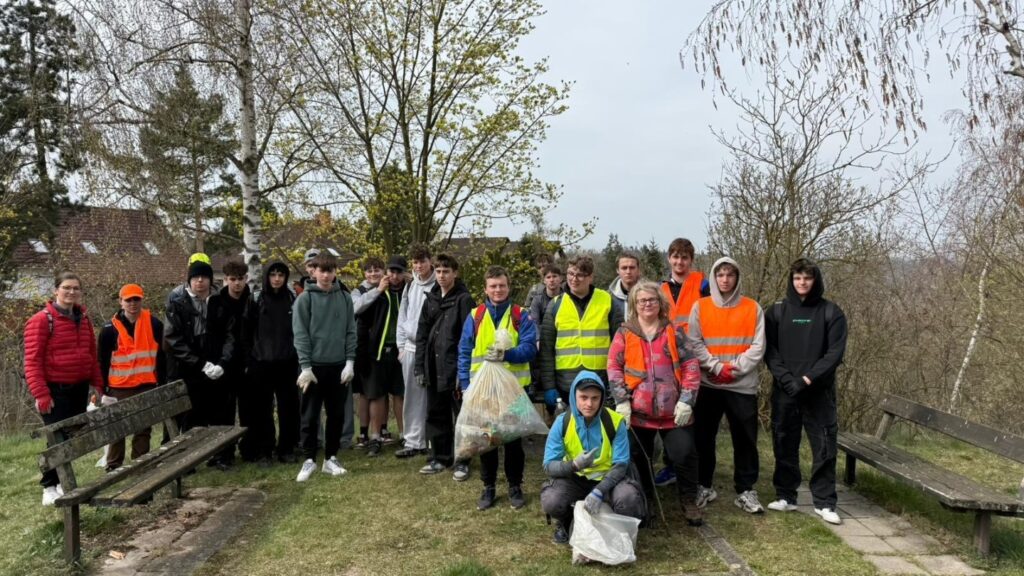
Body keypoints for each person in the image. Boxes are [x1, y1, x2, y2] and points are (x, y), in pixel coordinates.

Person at [607, 282, 703, 525]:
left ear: (660, 303)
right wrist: (621, 401)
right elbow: (614, 367)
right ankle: (645, 498)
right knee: (638, 457)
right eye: (642, 300)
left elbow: (691, 366)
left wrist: (687, 400)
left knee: (684, 454)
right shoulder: (625, 333)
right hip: (638, 413)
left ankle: (688, 499)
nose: (647, 304)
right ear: (634, 304)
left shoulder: (674, 331)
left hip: (674, 413)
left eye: (652, 299)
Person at [764, 258, 848, 525]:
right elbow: (769, 350)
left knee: (824, 446)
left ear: (816, 280)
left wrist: (807, 379)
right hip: (785, 391)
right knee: (783, 443)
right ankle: (786, 496)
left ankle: (824, 502)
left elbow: (834, 354)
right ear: (792, 280)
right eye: (797, 278)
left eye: (807, 278)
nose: (802, 283)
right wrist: (786, 379)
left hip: (818, 392)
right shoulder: (776, 311)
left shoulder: (831, 312)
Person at [687, 257, 766, 514]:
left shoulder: (752, 307)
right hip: (709, 383)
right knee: (703, 437)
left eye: (730, 274)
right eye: (720, 274)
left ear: (737, 277)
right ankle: (704, 485)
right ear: (713, 277)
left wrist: (734, 369)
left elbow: (758, 346)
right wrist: (716, 367)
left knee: (745, 439)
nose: (725, 279)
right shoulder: (700, 307)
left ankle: (746, 490)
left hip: (741, 386)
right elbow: (694, 342)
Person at [457, 266, 538, 510]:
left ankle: (515, 486)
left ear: (508, 287)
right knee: (486, 441)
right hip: (484, 392)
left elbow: (530, 349)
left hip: (514, 391)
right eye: (493, 286)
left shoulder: (520, 315)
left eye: (502, 285)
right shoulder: (475, 316)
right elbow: (464, 351)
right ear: (485, 289)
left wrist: (507, 354)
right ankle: (488, 486)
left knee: (513, 442)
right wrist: (465, 385)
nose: (498, 290)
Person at [24, 272, 104, 505]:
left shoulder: (84, 319)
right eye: (66, 287)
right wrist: (41, 394)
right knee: (56, 439)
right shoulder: (42, 320)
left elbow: (91, 354)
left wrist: (97, 383)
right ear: (56, 290)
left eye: (76, 288)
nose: (71, 292)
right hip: (54, 390)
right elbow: (32, 361)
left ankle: (61, 482)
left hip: (79, 388)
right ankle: (49, 486)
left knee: (69, 437)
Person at [540, 371, 644, 545]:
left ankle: (619, 529)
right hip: (575, 479)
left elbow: (621, 465)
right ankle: (566, 522)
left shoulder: (616, 422)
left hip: (609, 480)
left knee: (628, 497)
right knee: (551, 500)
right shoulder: (562, 422)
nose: (589, 404)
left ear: (602, 399)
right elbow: (548, 465)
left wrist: (599, 491)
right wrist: (574, 465)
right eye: (583, 397)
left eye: (595, 398)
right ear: (574, 396)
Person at [164, 253, 236, 470]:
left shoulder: (221, 302)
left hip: (217, 365)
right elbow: (173, 339)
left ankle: (221, 456)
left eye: (204, 277)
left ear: (210, 280)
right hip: (190, 368)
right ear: (189, 280)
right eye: (195, 277)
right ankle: (190, 460)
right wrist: (199, 364)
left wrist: (223, 363)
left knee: (220, 413)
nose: (200, 281)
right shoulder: (177, 303)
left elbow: (231, 335)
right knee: (192, 416)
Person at [292, 253, 356, 481]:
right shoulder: (305, 299)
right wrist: (305, 366)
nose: (326, 275)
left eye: (330, 271)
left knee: (336, 414)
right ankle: (309, 459)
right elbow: (300, 334)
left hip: (338, 366)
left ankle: (331, 458)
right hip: (313, 368)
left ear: (335, 272)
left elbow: (351, 331)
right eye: (322, 271)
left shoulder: (345, 298)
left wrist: (350, 362)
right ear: (314, 272)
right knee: (309, 416)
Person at [415, 253, 475, 480]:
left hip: (455, 368)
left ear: (455, 273)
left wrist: (464, 372)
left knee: (462, 417)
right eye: (438, 271)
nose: (441, 276)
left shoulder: (464, 300)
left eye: (446, 272)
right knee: (435, 414)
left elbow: (469, 338)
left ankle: (463, 460)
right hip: (433, 367)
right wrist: (420, 367)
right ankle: (440, 457)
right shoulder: (430, 299)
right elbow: (421, 335)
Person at [654, 238, 709, 487]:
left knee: (696, 419)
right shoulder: (660, 288)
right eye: (675, 257)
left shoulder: (703, 284)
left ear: (691, 260)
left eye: (684, 257)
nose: (679, 262)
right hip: (668, 360)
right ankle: (671, 466)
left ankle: (696, 471)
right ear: (669, 259)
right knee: (670, 415)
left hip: (696, 358)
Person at [97, 283, 166, 472]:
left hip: (146, 385)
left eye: (136, 299)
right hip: (118, 388)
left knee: (143, 429)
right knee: (117, 430)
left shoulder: (154, 324)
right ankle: (113, 468)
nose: (133, 303)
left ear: (142, 300)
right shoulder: (108, 329)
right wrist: (102, 391)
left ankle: (140, 465)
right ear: (121, 302)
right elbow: (102, 362)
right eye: (128, 300)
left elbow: (162, 358)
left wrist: (161, 383)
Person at [539, 256, 623, 409]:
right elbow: (546, 350)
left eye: (580, 275)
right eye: (570, 274)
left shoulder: (607, 301)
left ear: (590, 277)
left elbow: (620, 344)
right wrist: (549, 386)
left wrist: (617, 381)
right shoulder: (556, 304)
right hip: (566, 383)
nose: (574, 279)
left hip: (600, 379)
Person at [241, 261, 300, 465]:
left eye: (281, 275)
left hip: (287, 362)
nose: (276, 279)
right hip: (261, 362)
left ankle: (286, 448)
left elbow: (298, 330)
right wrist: (249, 359)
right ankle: (264, 450)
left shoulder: (292, 298)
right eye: (273, 274)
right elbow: (246, 332)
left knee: (288, 409)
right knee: (262, 409)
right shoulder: (256, 298)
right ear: (267, 276)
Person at [360, 255, 408, 456]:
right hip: (378, 350)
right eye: (391, 272)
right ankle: (375, 436)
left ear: (404, 273)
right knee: (377, 394)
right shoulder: (378, 292)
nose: (394, 276)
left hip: (401, 350)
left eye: (398, 272)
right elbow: (359, 312)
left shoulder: (409, 291)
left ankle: (405, 435)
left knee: (400, 393)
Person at [395, 244, 436, 458]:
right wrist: (401, 346)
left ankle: (432, 440)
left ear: (430, 261)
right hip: (410, 348)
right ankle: (413, 441)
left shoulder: (438, 283)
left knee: (433, 397)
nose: (419, 266)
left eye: (422, 261)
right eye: (415, 262)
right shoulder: (410, 285)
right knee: (412, 397)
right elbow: (402, 316)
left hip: (432, 348)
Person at [216, 260, 251, 465]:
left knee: (248, 409)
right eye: (233, 279)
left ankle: (249, 449)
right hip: (225, 364)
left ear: (246, 279)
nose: (237, 283)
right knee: (224, 411)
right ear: (225, 280)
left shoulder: (251, 301)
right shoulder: (217, 302)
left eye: (240, 279)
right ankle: (224, 453)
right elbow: (213, 335)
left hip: (247, 363)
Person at [351, 257, 385, 448]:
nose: (373, 274)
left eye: (377, 270)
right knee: (365, 393)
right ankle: (365, 433)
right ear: (364, 273)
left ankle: (376, 433)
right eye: (369, 271)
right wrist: (378, 290)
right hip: (362, 346)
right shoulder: (359, 291)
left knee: (375, 392)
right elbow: (356, 307)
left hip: (380, 347)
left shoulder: (388, 288)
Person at [528, 263, 562, 410]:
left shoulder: (565, 298)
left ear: (561, 278)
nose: (552, 280)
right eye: (548, 277)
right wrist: (537, 339)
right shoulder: (537, 300)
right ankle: (534, 384)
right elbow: (534, 321)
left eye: (555, 276)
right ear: (544, 280)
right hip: (543, 337)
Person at [608, 253, 642, 318]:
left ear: (638, 270)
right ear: (617, 270)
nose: (628, 271)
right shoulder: (608, 297)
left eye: (632, 268)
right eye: (624, 268)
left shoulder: (650, 295)